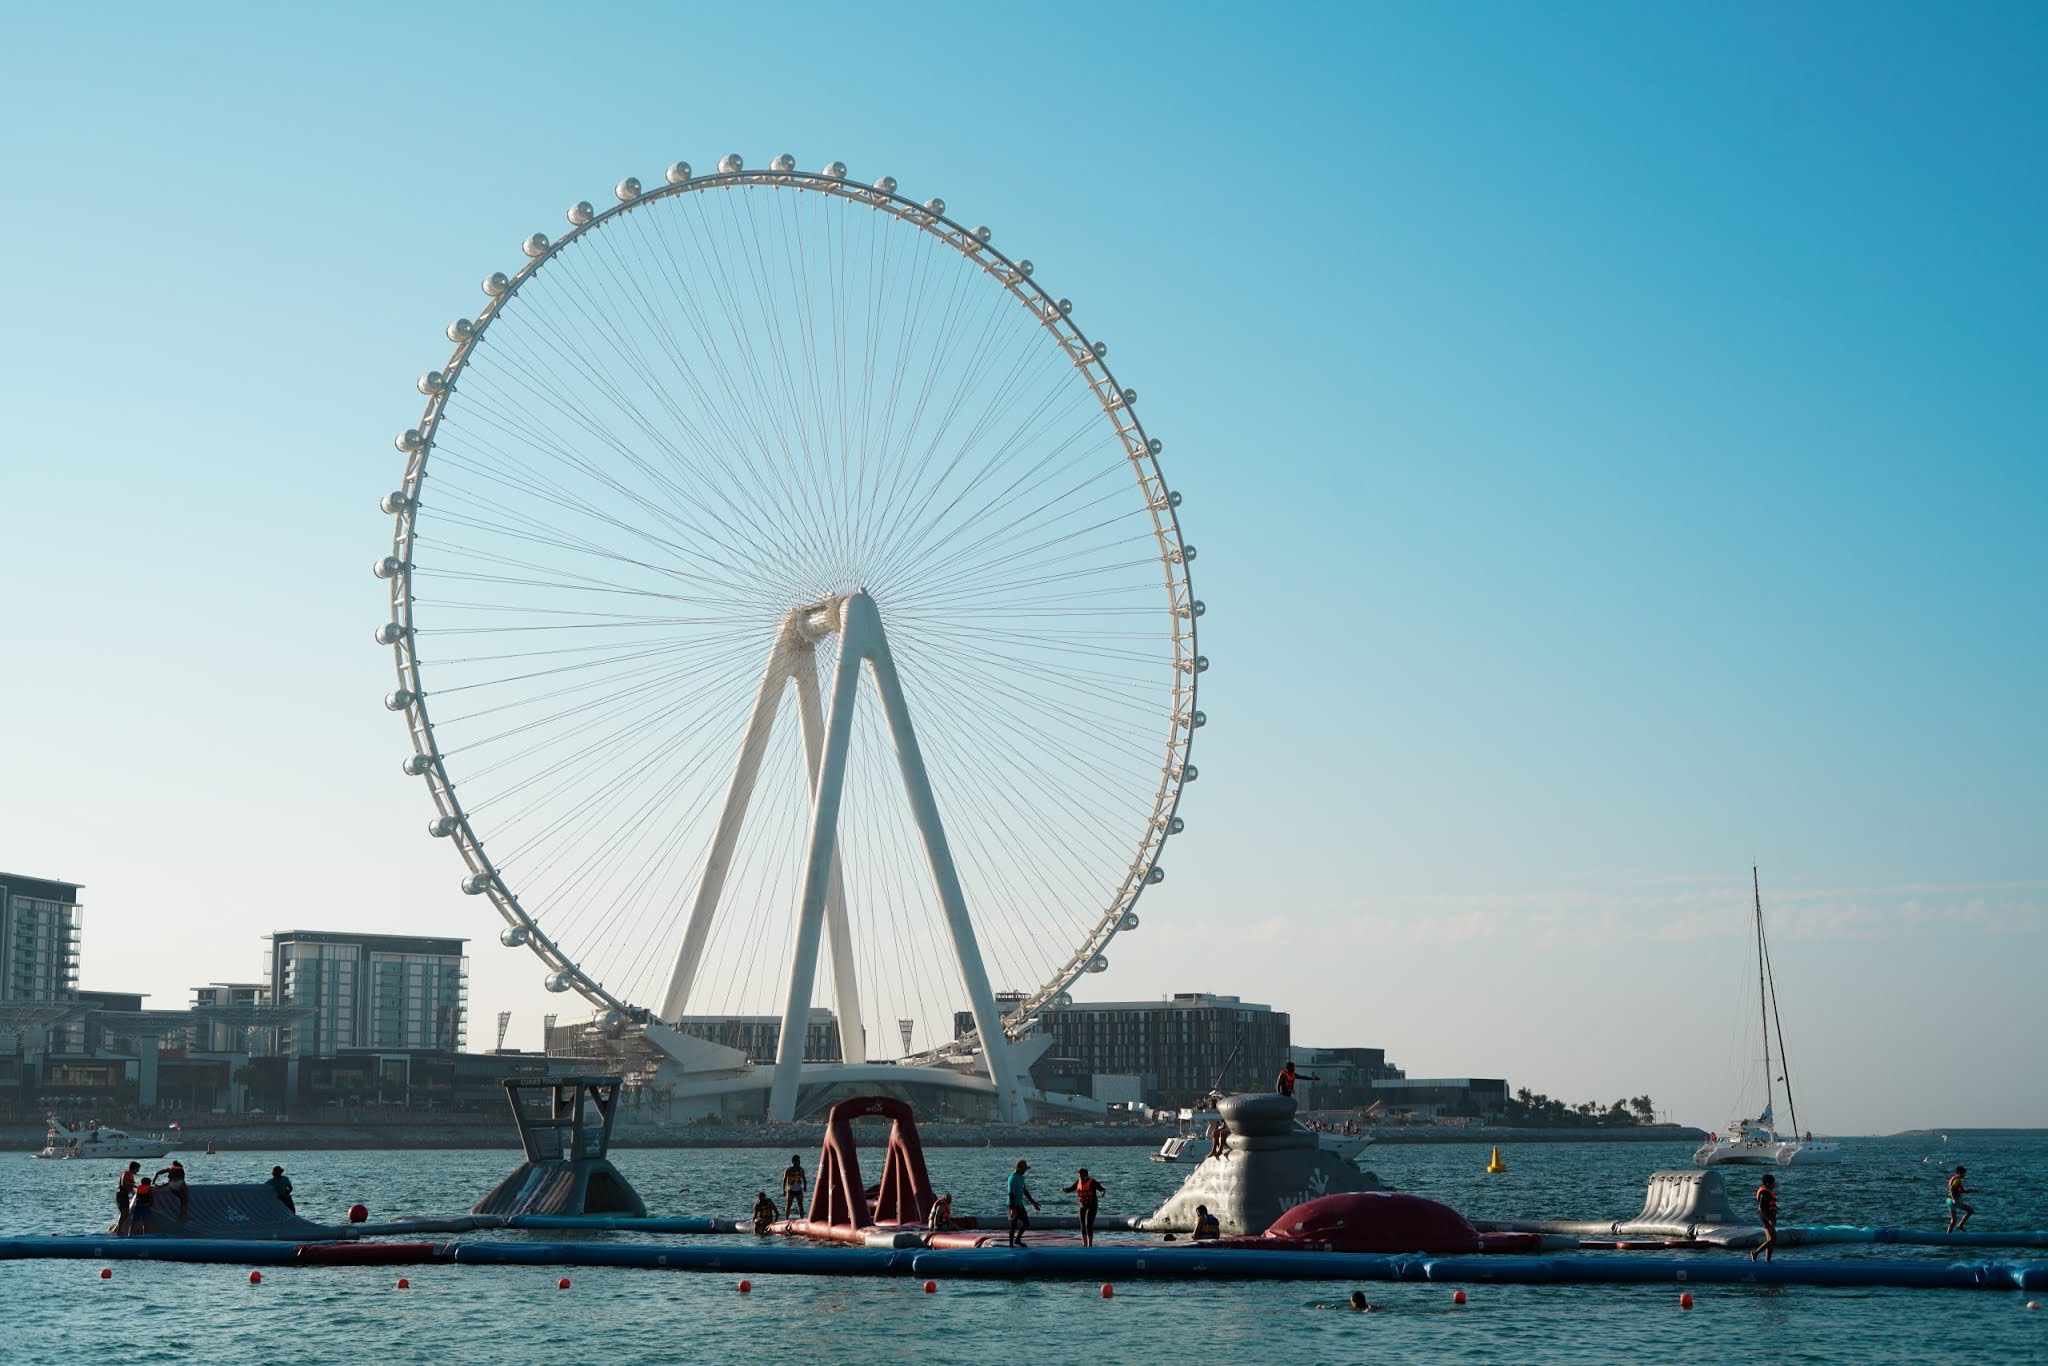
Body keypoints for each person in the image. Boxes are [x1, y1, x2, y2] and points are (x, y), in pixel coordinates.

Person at [1061, 1168, 1107, 1247]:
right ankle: (1084, 1245)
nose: (1080, 1179)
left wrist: (1102, 1193)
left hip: (1092, 1206)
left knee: (1088, 1225)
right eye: (1079, 1177)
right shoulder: (1078, 1182)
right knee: (1082, 1226)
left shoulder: (1092, 1182)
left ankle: (1090, 1245)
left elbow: (1102, 1189)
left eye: (1082, 1177)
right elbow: (1071, 1189)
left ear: (1086, 1176)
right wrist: (1064, 1190)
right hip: (1082, 1205)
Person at [1005, 1159, 1040, 1247]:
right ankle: (1010, 1245)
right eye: (1024, 1169)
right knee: (1013, 1224)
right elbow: (1011, 1194)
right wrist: (1013, 1209)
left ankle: (1017, 1240)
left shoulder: (1021, 1177)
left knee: (1026, 1223)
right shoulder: (1012, 1178)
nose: (1025, 1171)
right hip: (1012, 1204)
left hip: (1019, 1204)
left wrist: (1033, 1202)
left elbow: (1025, 1191)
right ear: (1019, 1168)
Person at [1750, 1174, 1778, 1262]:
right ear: (1768, 1183)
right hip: (1765, 1218)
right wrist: (1769, 1219)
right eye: (1773, 1183)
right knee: (1772, 1239)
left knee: (1771, 1240)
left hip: (1768, 1217)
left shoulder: (1767, 1191)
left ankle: (1768, 1260)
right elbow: (1761, 1208)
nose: (1774, 1185)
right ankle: (1755, 1253)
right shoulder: (1764, 1193)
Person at [1947, 1166, 1976, 1232]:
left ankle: (1948, 1236)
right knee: (1970, 1211)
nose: (1965, 1175)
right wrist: (1954, 1198)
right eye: (1964, 1173)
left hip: (1948, 1200)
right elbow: (1951, 1189)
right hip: (1954, 1201)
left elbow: (1961, 1190)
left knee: (1953, 1221)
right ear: (1960, 1173)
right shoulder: (1957, 1180)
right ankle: (1960, 1225)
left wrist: (1972, 1191)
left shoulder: (1954, 1178)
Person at [115, 1162, 140, 1236]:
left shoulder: (131, 1175)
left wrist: (138, 1188)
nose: (138, 1171)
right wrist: (132, 1190)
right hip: (121, 1195)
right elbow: (124, 1184)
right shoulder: (126, 1174)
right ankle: (119, 1231)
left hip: (125, 1195)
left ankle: (119, 1230)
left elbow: (131, 1185)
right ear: (133, 1168)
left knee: (126, 1214)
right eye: (137, 1169)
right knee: (124, 1213)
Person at [781, 1155, 808, 1219]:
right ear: (793, 1161)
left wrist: (805, 1186)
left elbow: (804, 1179)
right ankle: (787, 1218)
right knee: (789, 1205)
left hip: (799, 1190)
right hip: (791, 1190)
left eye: (799, 1160)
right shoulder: (788, 1170)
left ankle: (802, 1218)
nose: (799, 1162)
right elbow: (784, 1180)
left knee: (800, 1205)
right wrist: (783, 1190)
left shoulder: (801, 1170)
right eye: (798, 1160)